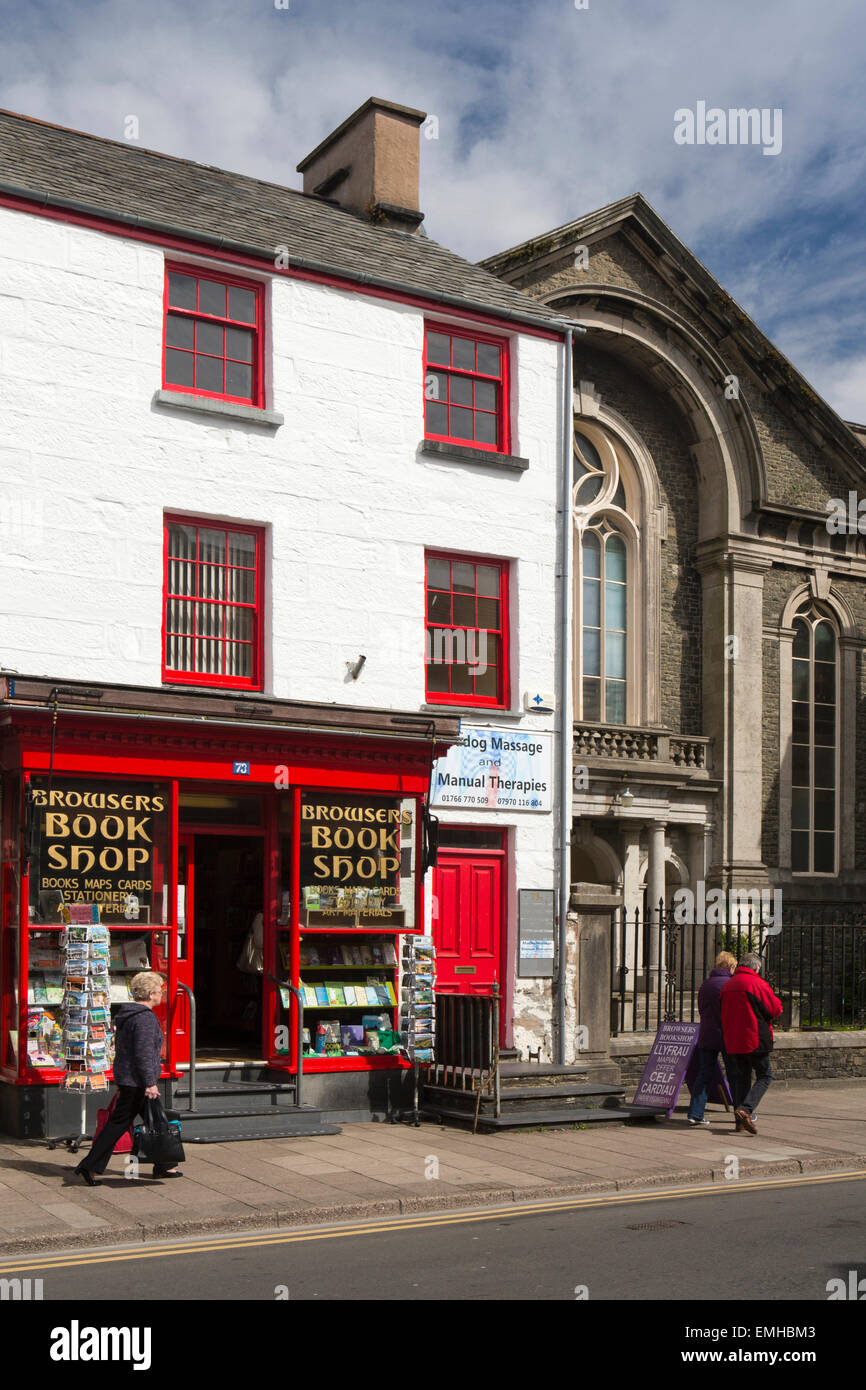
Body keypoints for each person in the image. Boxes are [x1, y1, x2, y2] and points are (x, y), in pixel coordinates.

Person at [74, 971, 181, 1184]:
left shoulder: (128, 1015)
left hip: (129, 1079)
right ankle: (89, 1165)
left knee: (157, 1121)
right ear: (151, 994)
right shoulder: (145, 1018)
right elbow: (143, 1054)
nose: (162, 995)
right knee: (121, 1124)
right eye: (160, 991)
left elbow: (125, 1051)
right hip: (139, 1082)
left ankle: (165, 1166)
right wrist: (150, 1083)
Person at [720, 951, 784, 1134]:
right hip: (754, 1038)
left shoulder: (728, 985)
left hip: (733, 1039)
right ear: (755, 967)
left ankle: (739, 1121)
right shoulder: (757, 983)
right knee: (765, 1075)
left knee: (742, 1079)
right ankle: (745, 1109)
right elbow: (775, 1009)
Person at [686, 950, 737, 1126]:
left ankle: (695, 1113)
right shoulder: (730, 984)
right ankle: (742, 1111)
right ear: (730, 966)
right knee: (735, 1074)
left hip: (706, 1034)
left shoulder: (706, 984)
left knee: (704, 1074)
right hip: (726, 1035)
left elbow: (701, 1008)